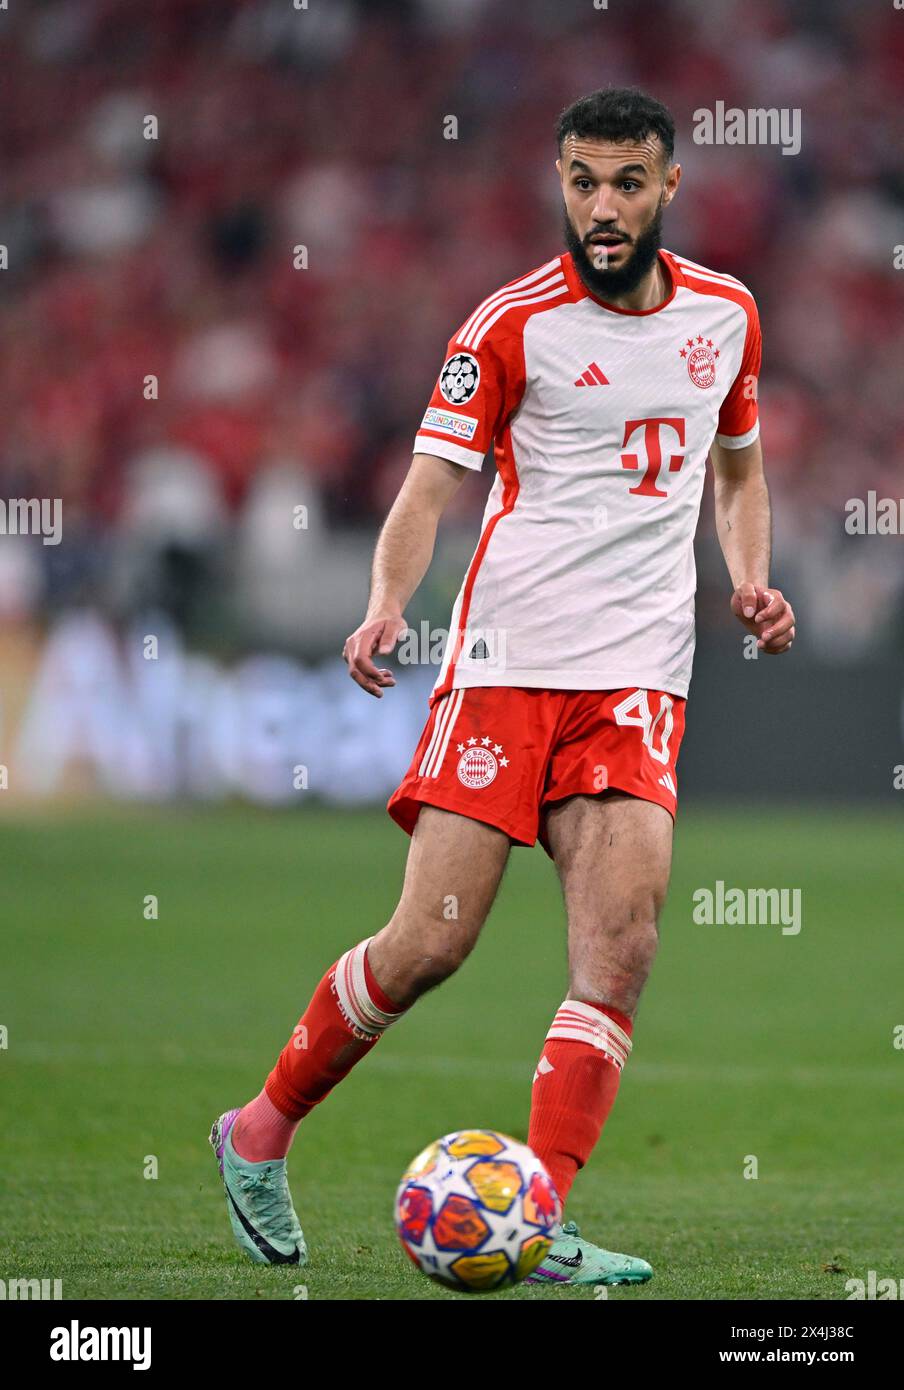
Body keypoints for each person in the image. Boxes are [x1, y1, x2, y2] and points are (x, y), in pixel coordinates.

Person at [210, 86, 795, 1286]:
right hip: (508, 665)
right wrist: (383, 605)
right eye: (582, 180)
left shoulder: (729, 315)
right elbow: (429, 490)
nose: (603, 204)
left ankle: (537, 1222)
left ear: (670, 184)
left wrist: (752, 577)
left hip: (638, 678)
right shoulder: (509, 324)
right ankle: (257, 1128)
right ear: (561, 184)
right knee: (430, 944)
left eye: (627, 181)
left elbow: (738, 471)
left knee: (619, 951)